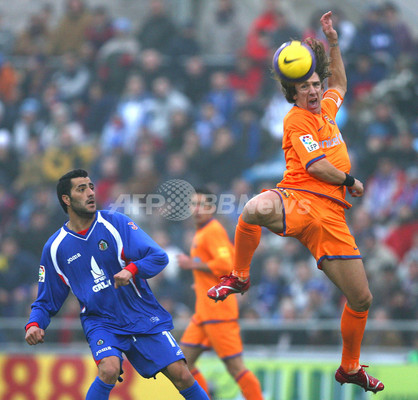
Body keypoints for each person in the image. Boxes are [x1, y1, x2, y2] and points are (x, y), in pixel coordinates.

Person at [208, 12, 385, 394]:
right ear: (293, 93)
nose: (314, 91)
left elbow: (341, 81)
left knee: (362, 297)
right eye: (305, 87)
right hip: (298, 199)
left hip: (332, 218)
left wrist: (333, 42)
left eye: (316, 84)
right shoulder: (296, 120)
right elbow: (317, 167)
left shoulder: (329, 108)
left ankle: (350, 367)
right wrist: (351, 180)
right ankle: (239, 276)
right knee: (253, 208)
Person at [25, 169, 210, 400]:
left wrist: (131, 270)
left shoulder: (115, 223)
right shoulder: (55, 248)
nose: (90, 193)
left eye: (91, 187)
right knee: (109, 369)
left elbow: (158, 256)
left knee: (181, 374)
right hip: (100, 320)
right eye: (81, 189)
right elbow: (46, 300)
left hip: (139, 313)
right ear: (66, 199)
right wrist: (34, 323)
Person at [177, 188, 264, 400]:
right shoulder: (202, 232)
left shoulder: (212, 230)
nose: (196, 209)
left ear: (212, 208)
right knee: (181, 366)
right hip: (204, 313)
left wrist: (193, 264)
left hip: (219, 313)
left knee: (236, 368)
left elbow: (226, 264)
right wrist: (199, 282)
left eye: (202, 205)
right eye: (193, 204)